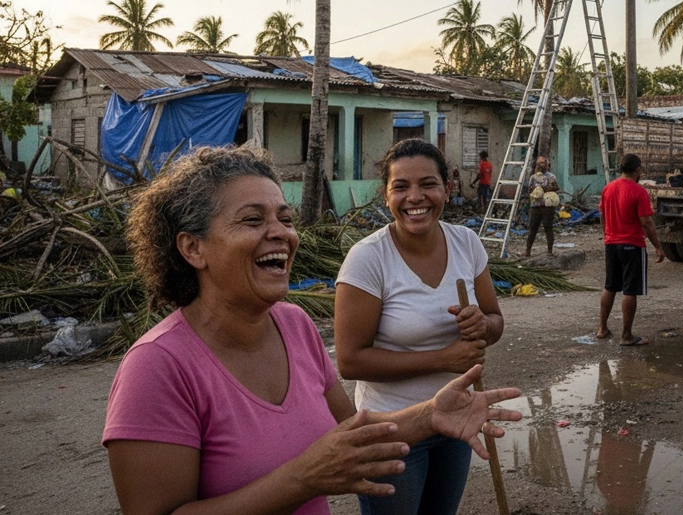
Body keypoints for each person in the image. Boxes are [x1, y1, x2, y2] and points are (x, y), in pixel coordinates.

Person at [101, 145, 522, 515]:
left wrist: (431, 414)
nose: (281, 233)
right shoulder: (157, 367)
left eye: (285, 218)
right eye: (253, 220)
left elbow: (352, 430)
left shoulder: (294, 325)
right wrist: (304, 478)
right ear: (193, 248)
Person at [334, 138, 505, 515]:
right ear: (386, 195)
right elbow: (350, 361)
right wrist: (443, 359)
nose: (415, 197)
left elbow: (495, 322)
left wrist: (482, 324)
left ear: (447, 188)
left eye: (428, 184)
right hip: (391, 431)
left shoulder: (467, 243)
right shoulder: (368, 259)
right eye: (401, 186)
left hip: (456, 419)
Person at [596, 154, 665, 346]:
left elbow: (602, 216)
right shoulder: (638, 191)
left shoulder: (608, 188)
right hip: (632, 245)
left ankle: (602, 328)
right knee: (630, 290)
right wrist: (658, 246)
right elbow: (646, 222)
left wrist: (607, 235)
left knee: (610, 286)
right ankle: (626, 335)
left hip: (612, 243)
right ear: (638, 170)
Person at [523, 155, 560, 257]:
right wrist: (535, 191)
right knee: (532, 229)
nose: (541, 165)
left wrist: (544, 189)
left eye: (543, 163)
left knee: (548, 228)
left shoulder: (551, 177)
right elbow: (530, 190)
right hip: (535, 207)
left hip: (547, 207)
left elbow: (556, 187)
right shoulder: (533, 177)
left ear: (547, 165)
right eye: (539, 163)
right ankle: (528, 251)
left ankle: (549, 251)